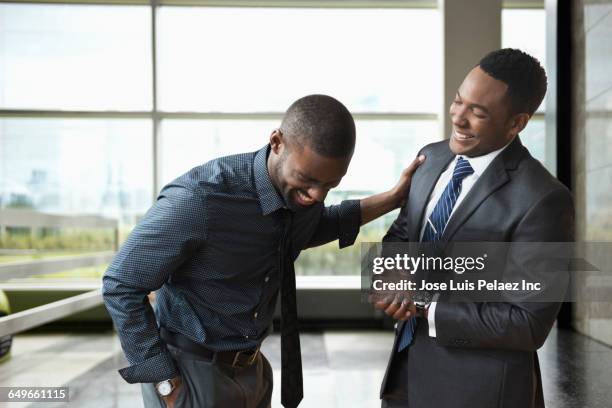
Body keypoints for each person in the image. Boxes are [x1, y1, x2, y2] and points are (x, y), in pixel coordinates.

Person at [103, 94, 424, 408]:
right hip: (190, 374)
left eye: (329, 185)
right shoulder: (199, 199)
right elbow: (121, 284)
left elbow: (317, 224)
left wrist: (394, 198)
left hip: (253, 370)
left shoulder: (299, 199)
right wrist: (164, 382)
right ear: (276, 142)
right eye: (307, 180)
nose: (315, 195)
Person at [375, 49, 574, 408]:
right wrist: (393, 275)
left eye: (477, 113)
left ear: (516, 123)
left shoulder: (544, 199)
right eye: (457, 102)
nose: (458, 119)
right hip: (405, 375)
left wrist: (424, 305)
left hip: (478, 392)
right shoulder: (430, 158)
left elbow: (527, 323)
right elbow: (400, 238)